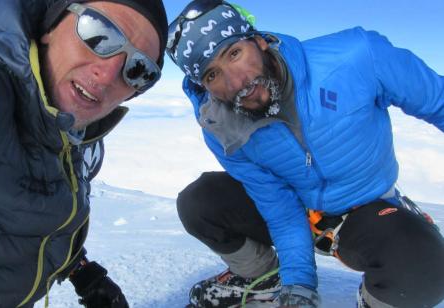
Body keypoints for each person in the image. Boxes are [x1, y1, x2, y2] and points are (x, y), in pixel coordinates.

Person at [167, 1, 444, 307]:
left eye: (234, 54)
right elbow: (278, 206)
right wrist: (299, 285)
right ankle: (266, 278)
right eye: (212, 75)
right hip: (296, 209)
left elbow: (439, 103)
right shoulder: (224, 129)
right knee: (201, 201)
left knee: (426, 270)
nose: (236, 82)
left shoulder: (356, 58)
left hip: (364, 209)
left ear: (259, 41)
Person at [0, 0, 167, 307]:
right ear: (50, 25)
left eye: (139, 69)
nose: (107, 74)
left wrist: (82, 271)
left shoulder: (68, 134)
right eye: (100, 34)